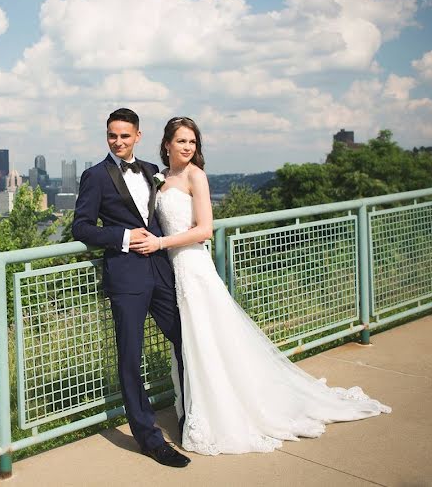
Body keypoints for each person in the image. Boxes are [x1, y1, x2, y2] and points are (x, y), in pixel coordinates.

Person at [129, 116, 391, 455]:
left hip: (194, 268)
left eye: (192, 142)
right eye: (181, 141)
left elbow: (205, 229)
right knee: (190, 343)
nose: (187, 147)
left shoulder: (197, 176)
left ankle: (220, 410)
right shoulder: (161, 179)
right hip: (172, 272)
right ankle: (193, 409)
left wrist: (161, 244)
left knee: (207, 341)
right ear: (166, 144)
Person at [72, 108, 191, 468]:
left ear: (137, 136)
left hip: (161, 269)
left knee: (188, 339)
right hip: (125, 277)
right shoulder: (95, 176)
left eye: (125, 135)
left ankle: (193, 415)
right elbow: (82, 228)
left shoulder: (152, 172)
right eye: (112, 135)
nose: (118, 141)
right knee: (130, 357)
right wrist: (122, 237)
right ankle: (150, 439)